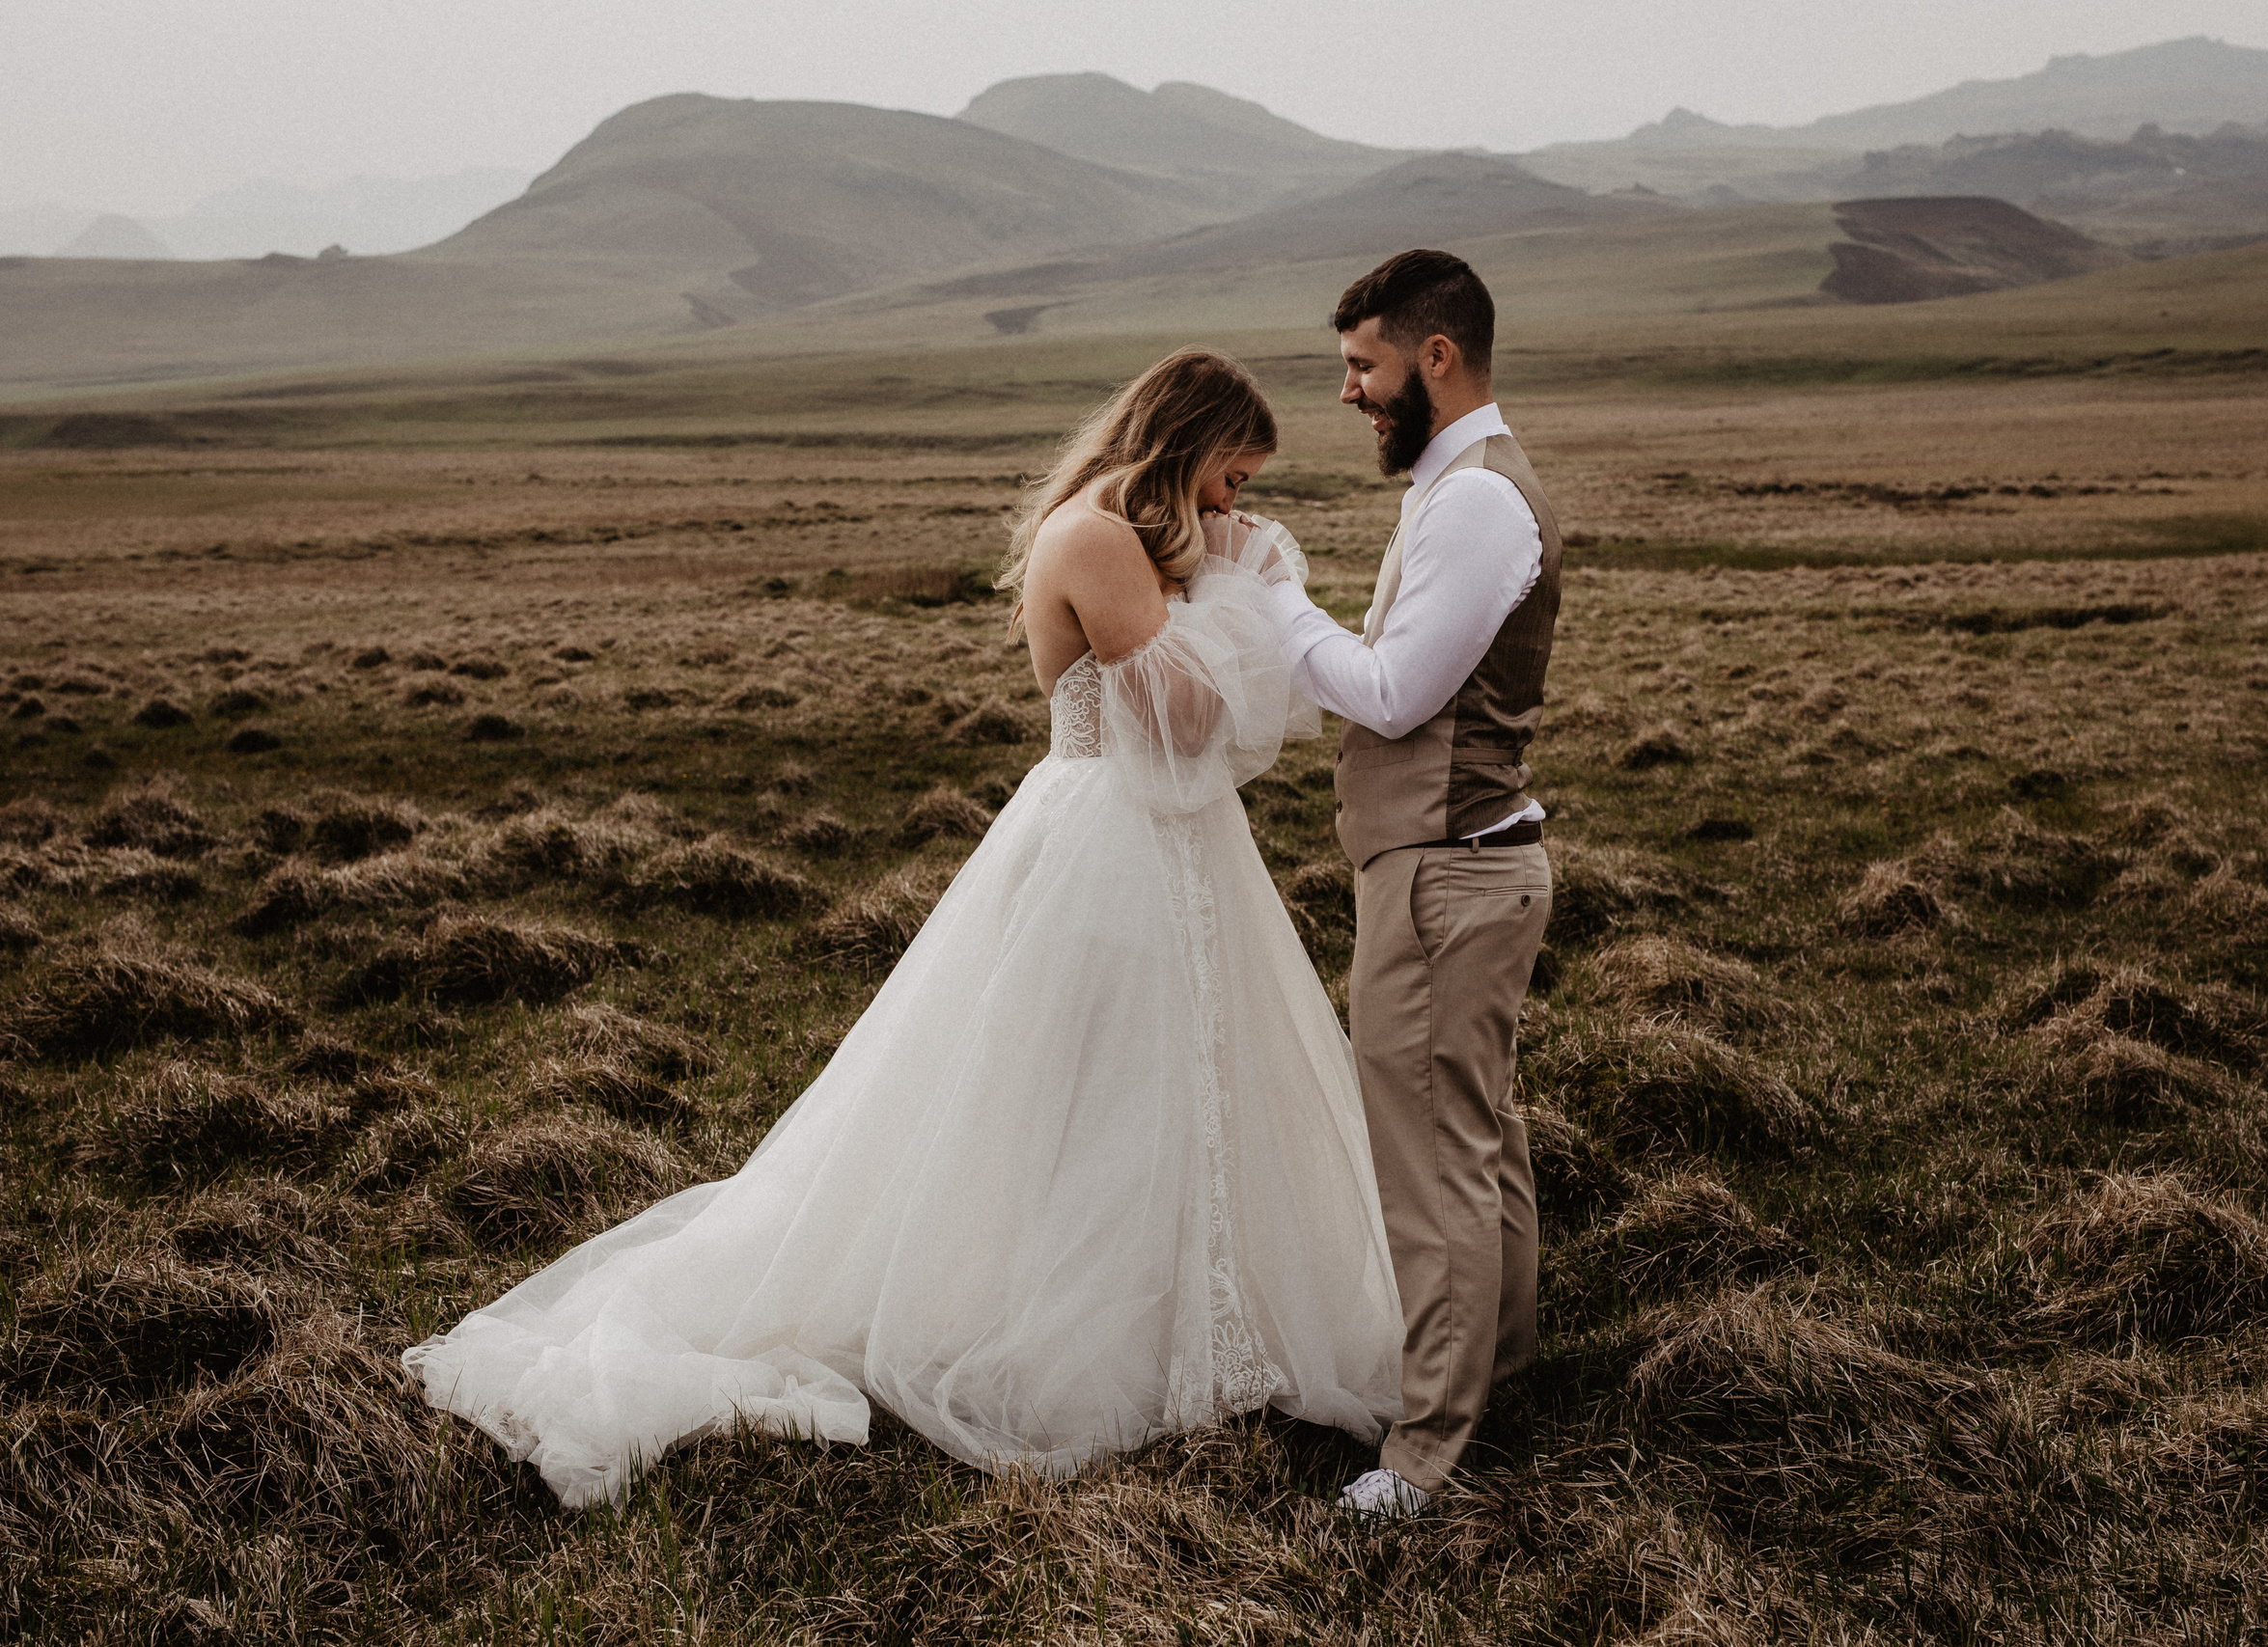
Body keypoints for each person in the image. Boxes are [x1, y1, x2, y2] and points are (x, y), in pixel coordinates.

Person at [404, 348, 1404, 1509]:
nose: (1236, 506)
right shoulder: (1093, 538)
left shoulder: (1136, 536)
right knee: (1093, 1088)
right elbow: (1177, 717)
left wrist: (1218, 576)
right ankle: (1092, 1329)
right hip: (1112, 843)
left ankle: (1206, 1308)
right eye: (1230, 477)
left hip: (1167, 849)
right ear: (1182, 451)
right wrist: (1246, 593)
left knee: (1185, 1078)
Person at [1263, 251, 1562, 1519]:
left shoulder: (1481, 501)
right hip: (1454, 870)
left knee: (1432, 1165)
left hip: (1447, 878)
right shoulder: (1453, 484)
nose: (1350, 393)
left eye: (1364, 367)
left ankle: (1429, 1451)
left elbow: (1394, 692)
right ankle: (1501, 1382)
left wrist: (1277, 601)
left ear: (1436, 358)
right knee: (1476, 1146)